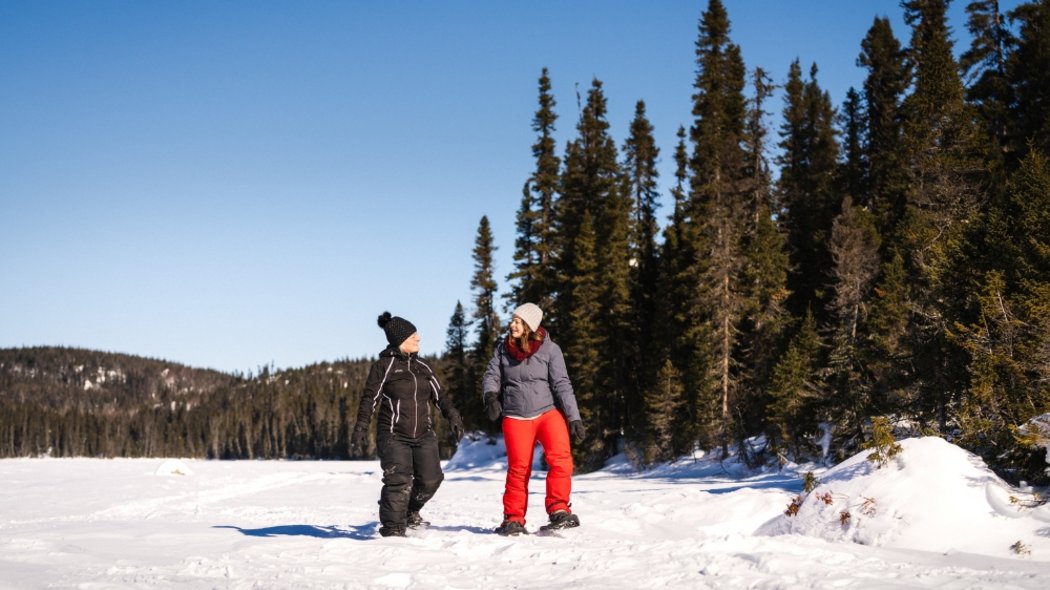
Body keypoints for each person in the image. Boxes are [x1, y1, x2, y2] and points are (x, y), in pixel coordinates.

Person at [351, 311, 464, 538]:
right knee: (398, 481)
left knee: (431, 479)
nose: (418, 338)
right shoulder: (384, 366)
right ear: (401, 340)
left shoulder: (423, 367)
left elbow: (440, 395)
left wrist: (453, 416)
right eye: (413, 336)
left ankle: (410, 511)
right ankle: (393, 529)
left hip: (423, 434)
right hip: (393, 434)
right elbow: (370, 398)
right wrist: (361, 426)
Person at [482, 302, 586, 536]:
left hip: (547, 413)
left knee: (561, 461)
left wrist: (574, 417)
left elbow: (562, 384)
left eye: (518, 321)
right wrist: (490, 396)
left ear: (530, 326)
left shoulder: (551, 349)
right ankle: (513, 519)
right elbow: (492, 375)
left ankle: (559, 509)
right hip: (515, 416)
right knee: (518, 469)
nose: (513, 325)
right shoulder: (502, 349)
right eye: (513, 320)